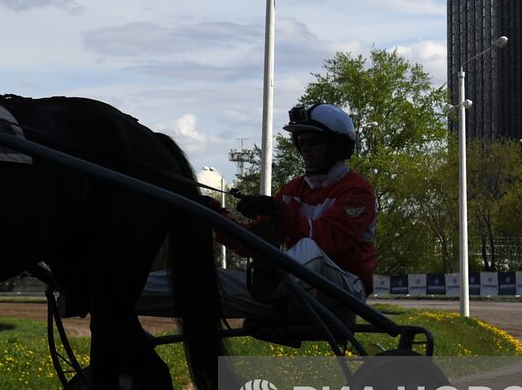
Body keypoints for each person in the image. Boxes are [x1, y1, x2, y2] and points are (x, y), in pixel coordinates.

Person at [137, 103, 376, 323]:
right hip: (289, 286)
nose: (305, 148)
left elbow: (324, 240)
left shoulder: (356, 192)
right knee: (207, 279)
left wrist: (277, 211)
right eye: (300, 141)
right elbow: (252, 245)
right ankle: (115, 288)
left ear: (337, 145)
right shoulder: (293, 189)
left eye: (312, 141)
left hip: (343, 292)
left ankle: (270, 286)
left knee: (308, 250)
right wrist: (213, 215)